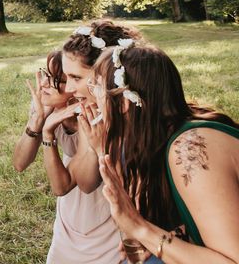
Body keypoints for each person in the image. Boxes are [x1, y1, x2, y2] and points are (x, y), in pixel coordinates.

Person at [93, 42, 239, 263]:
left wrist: (141, 228)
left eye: (95, 86)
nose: (92, 96)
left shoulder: (189, 149)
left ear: (123, 101)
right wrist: (170, 237)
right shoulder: (165, 135)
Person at [35, 20, 142, 264]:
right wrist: (96, 146)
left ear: (108, 72)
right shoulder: (92, 112)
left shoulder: (140, 113)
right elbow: (83, 183)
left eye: (76, 77)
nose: (70, 88)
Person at [13, 50, 75, 172]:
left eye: (55, 79)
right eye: (46, 74)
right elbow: (19, 164)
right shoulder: (45, 105)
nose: (43, 83)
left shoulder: (92, 114)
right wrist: (37, 120)